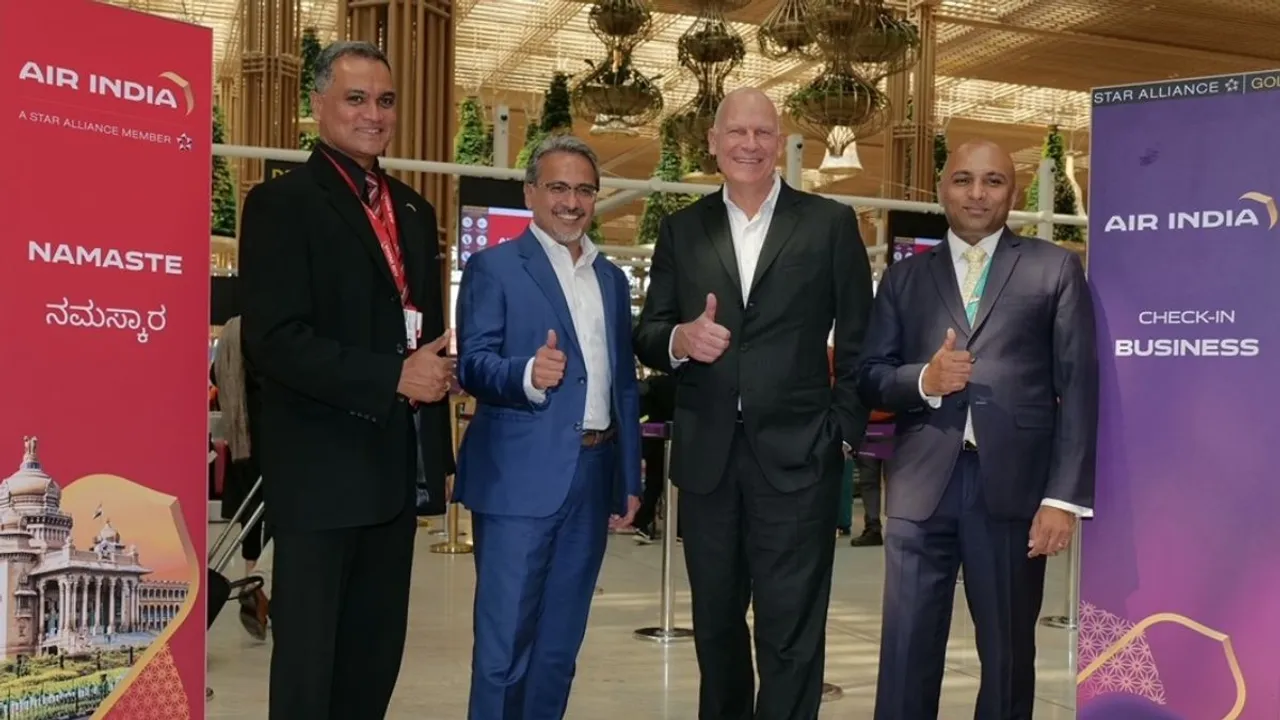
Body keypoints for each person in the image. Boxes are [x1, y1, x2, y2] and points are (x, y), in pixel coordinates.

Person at [633, 87, 873, 719]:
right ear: (712, 142)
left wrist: (842, 432)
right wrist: (681, 339)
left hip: (799, 459)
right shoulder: (683, 230)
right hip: (709, 459)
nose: (748, 144)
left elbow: (859, 338)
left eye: (762, 133)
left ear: (782, 144)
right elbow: (649, 330)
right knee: (715, 627)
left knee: (791, 630)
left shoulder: (827, 223)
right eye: (735, 132)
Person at [239, 40, 455, 720]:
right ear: (318, 106)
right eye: (356, 98)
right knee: (309, 665)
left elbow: (432, 343)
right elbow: (275, 343)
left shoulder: (415, 213)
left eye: (385, 100)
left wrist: (437, 460)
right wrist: (392, 376)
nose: (373, 114)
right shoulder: (282, 204)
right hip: (320, 474)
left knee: (373, 657)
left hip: (394, 474)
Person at [857, 139, 1098, 720]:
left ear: (1012, 193)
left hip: (1014, 493)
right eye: (963, 179)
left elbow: (1079, 389)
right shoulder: (904, 278)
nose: (977, 193)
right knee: (907, 650)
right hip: (921, 490)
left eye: (992, 181)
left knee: (1009, 654)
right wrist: (925, 379)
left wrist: (1062, 499)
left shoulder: (1054, 267)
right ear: (943, 190)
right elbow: (870, 377)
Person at [454, 134, 642, 720]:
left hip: (592, 476)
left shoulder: (611, 279)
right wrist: (529, 374)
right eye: (558, 187)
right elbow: (473, 363)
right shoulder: (494, 268)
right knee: (504, 648)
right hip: (517, 481)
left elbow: (623, 386)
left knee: (559, 648)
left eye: (584, 190)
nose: (571, 202)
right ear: (531, 192)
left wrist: (628, 477)